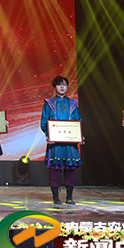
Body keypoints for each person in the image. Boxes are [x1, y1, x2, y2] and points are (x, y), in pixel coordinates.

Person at [40, 75, 82, 205]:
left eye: (64, 84)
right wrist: (48, 135)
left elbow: (78, 120)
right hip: (55, 143)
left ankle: (69, 197)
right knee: (55, 171)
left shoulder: (73, 103)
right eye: (59, 84)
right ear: (54, 87)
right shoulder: (49, 103)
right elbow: (44, 122)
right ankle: (56, 197)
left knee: (70, 170)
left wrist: (80, 135)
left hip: (70, 143)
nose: (62, 87)